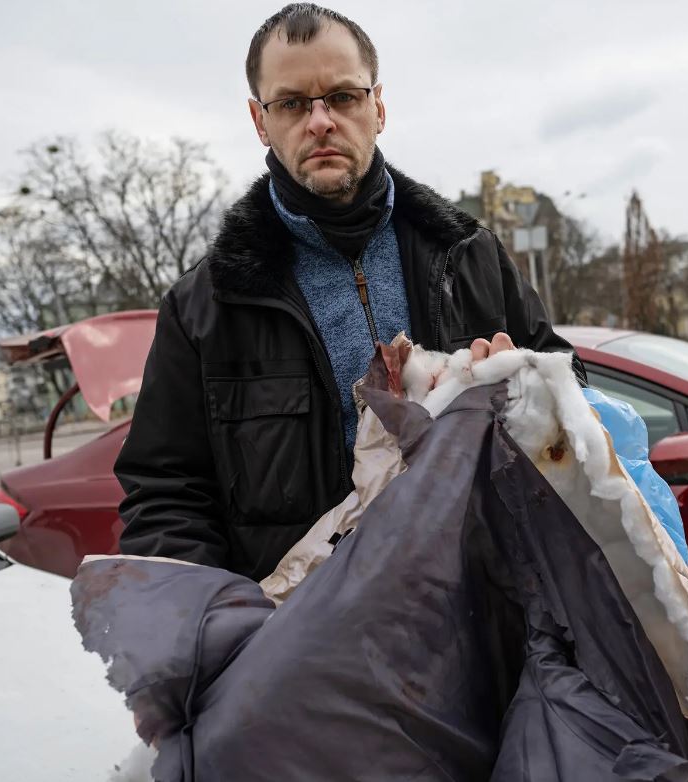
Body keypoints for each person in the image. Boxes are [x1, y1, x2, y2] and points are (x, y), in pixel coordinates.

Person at [115, 3, 584, 580]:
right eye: (291, 103)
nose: (320, 122)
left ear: (377, 106)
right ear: (260, 121)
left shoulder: (468, 255)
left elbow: (570, 389)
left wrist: (524, 395)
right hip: (305, 637)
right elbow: (165, 493)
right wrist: (224, 628)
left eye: (342, 97)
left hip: (486, 610)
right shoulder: (206, 305)